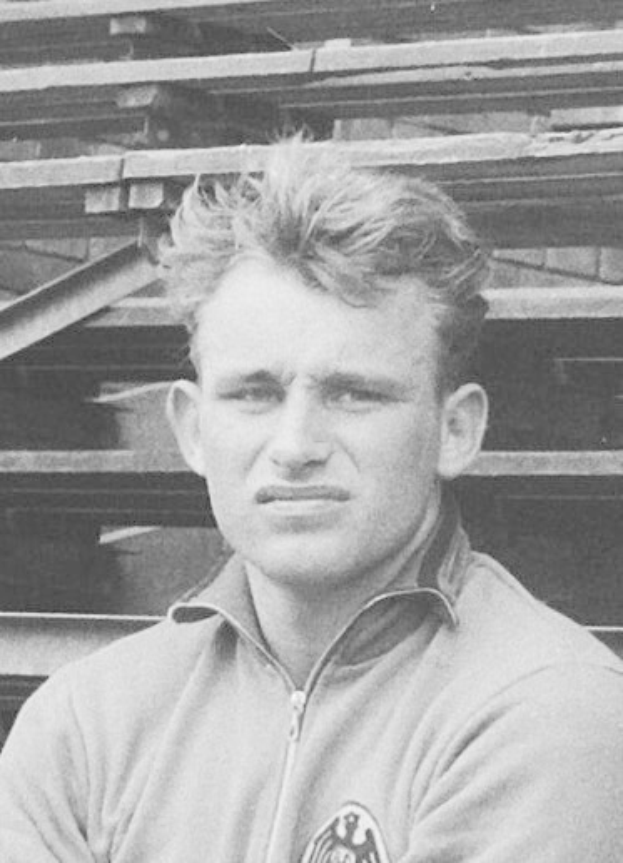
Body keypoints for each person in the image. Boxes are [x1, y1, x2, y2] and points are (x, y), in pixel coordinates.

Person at [1, 136, 623, 863]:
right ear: (193, 429)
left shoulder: (543, 707)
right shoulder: (86, 721)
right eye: (254, 393)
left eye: (353, 392)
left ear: (455, 429)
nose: (295, 444)